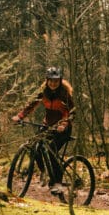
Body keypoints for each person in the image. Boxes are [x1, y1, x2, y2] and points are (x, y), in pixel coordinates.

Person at [12, 67, 75, 195]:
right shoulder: (43, 92)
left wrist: (64, 124)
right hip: (47, 126)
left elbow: (72, 112)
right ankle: (44, 172)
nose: (53, 83)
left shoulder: (64, 94)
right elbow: (31, 105)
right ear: (46, 81)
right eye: (50, 81)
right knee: (35, 146)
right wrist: (20, 116)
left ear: (60, 81)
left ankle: (57, 183)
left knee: (52, 150)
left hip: (62, 129)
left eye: (56, 81)